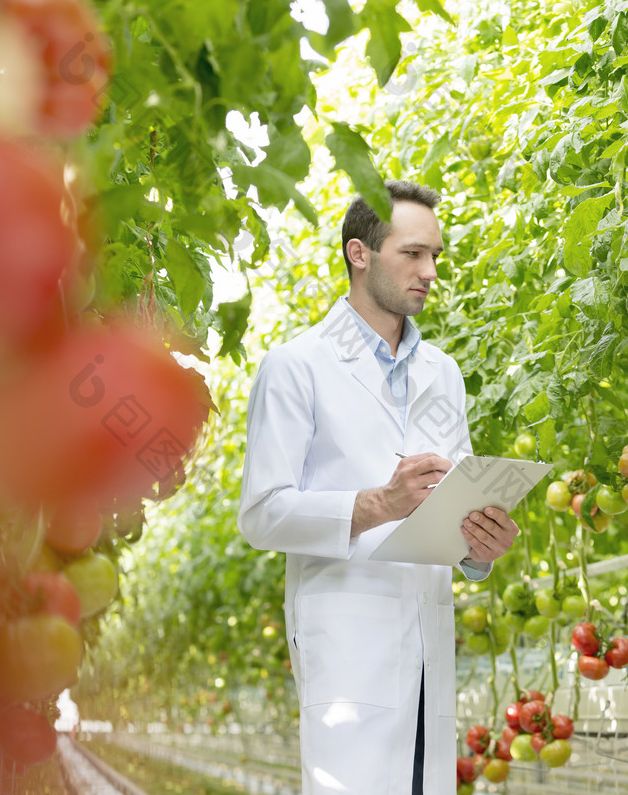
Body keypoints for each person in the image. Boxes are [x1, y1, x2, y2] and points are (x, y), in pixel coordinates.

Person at [237, 181, 519, 795]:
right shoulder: (296, 366)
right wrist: (376, 504)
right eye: (413, 254)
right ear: (358, 254)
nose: (429, 271)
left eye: (436, 256)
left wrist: (479, 546)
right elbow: (261, 514)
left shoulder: (442, 373)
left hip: (428, 638)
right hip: (348, 642)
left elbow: (456, 502)